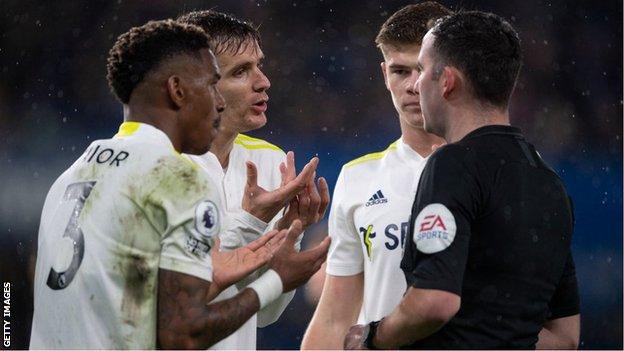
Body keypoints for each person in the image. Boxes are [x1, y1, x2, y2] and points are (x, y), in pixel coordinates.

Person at [29, 19, 329, 349]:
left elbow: (146, 298)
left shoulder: (72, 175)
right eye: (215, 82)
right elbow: (181, 330)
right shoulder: (175, 178)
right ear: (177, 89)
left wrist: (280, 239)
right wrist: (275, 276)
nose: (217, 102)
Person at [344, 11, 580, 349]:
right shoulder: (548, 182)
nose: (415, 84)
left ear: (447, 82)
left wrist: (374, 337)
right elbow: (566, 339)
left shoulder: (452, 165)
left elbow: (434, 302)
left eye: (423, 70)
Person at [176, 10, 331, 350]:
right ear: (196, 83)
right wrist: (251, 221)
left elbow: (264, 315)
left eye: (259, 65)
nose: (263, 82)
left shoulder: (269, 163)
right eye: (241, 71)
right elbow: (176, 305)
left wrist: (287, 235)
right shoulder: (160, 168)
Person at [301, 2, 451, 349]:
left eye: (423, 70)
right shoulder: (358, 179)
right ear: (384, 74)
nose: (413, 86)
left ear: (451, 72)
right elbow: (334, 318)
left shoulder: (498, 168)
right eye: (400, 71)